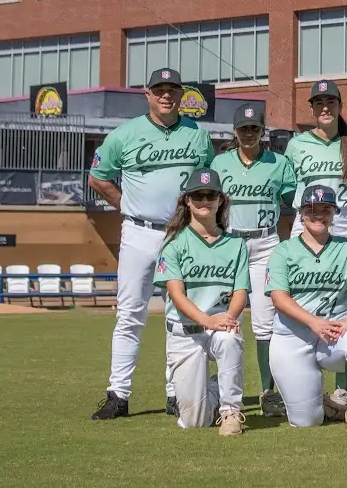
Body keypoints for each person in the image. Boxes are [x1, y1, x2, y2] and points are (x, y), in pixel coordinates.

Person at [89, 67, 215, 420]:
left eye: (172, 89)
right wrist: (125, 205)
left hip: (181, 233)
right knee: (130, 313)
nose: (165, 95)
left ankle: (177, 391)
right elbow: (98, 178)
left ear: (180, 94)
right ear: (147, 94)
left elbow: (208, 184)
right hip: (139, 232)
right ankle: (119, 394)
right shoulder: (124, 135)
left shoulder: (197, 135)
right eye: (159, 89)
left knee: (179, 314)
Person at [265, 185, 347, 432]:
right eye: (311, 210)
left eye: (325, 209)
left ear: (334, 213)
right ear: (301, 215)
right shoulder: (284, 250)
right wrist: (312, 321)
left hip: (333, 332)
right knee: (307, 421)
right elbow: (279, 297)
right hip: (292, 337)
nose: (318, 215)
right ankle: (325, 406)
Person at [208, 103, 296, 418]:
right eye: (243, 129)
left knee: (265, 322)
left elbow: (294, 199)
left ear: (263, 132)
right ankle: (217, 389)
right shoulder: (219, 162)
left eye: (254, 129)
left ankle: (268, 391)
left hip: (265, 241)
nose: (249, 134)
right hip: (229, 242)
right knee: (221, 316)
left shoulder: (279, 162)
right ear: (235, 131)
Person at [153, 168, 249, 435]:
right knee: (195, 421)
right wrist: (207, 320)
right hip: (186, 332)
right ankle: (218, 387)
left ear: (220, 200)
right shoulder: (174, 243)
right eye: (198, 196)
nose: (204, 201)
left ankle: (231, 411)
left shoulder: (235, 244)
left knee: (230, 339)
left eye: (210, 195)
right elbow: (176, 294)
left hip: (219, 326)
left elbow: (240, 291)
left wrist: (229, 318)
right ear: (187, 201)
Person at [284, 80, 347, 241]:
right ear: (312, 109)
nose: (325, 108)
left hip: (343, 221)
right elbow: (288, 190)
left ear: (340, 106)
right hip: (307, 220)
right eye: (319, 103)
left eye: (331, 102)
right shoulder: (296, 144)